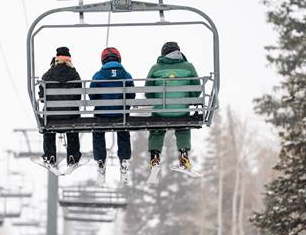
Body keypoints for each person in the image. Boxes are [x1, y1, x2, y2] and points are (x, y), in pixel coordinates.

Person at [145, 41, 201, 171]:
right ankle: (184, 156)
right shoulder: (188, 67)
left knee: (156, 129)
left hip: (161, 111)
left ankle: (155, 157)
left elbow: (148, 92)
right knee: (183, 126)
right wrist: (188, 98)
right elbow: (196, 90)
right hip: (181, 110)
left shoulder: (155, 68)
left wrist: (157, 102)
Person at [89, 47, 135, 183]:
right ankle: (124, 161)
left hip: (102, 115)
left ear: (103, 60)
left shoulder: (98, 75)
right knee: (123, 131)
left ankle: (101, 162)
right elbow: (131, 95)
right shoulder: (126, 75)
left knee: (98, 132)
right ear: (118, 58)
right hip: (121, 114)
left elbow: (92, 96)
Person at [38, 47, 82, 171]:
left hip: (52, 116)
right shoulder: (74, 74)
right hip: (70, 115)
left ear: (57, 59)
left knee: (48, 128)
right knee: (72, 128)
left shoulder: (47, 75)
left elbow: (42, 98)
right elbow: (78, 96)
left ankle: (50, 156)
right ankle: (73, 157)